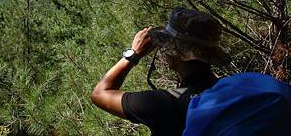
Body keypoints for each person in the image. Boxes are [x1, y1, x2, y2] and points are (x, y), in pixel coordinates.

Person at [91, 7, 230, 136]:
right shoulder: (232, 89)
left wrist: (133, 54)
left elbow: (100, 93)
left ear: (175, 53)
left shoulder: (164, 103)